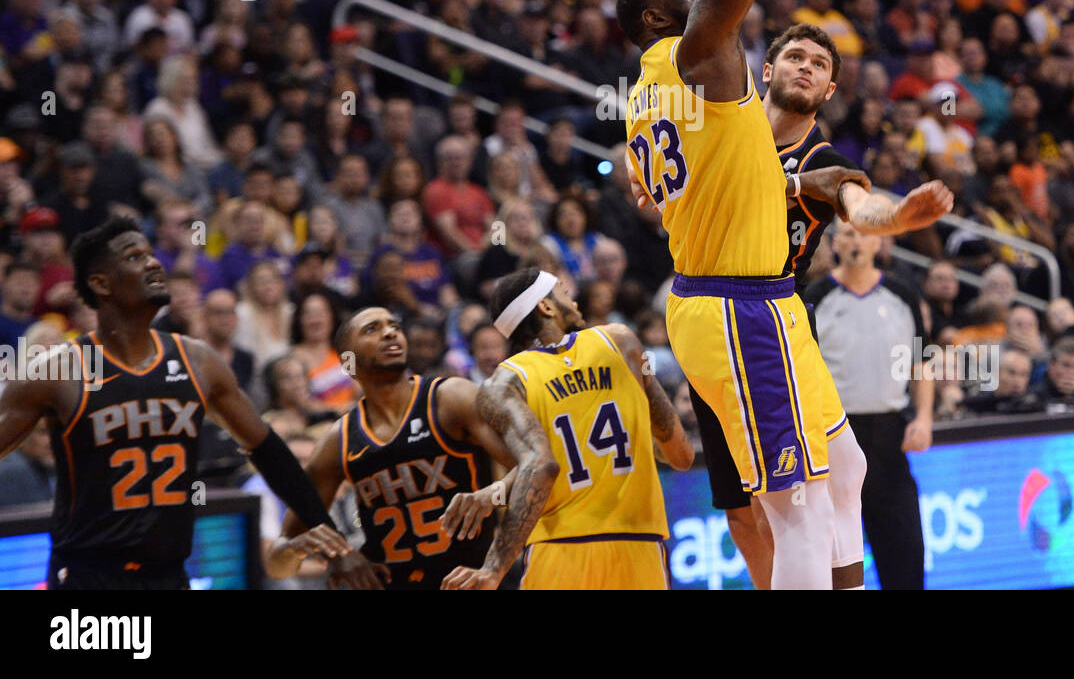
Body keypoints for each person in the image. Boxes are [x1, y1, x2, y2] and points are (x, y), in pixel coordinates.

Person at [616, 0, 950, 589]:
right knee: (790, 505)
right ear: (657, 20)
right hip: (736, 307)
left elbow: (835, 193)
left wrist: (889, 219)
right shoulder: (698, 56)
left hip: (764, 305)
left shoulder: (645, 98)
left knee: (846, 467)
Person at [0, 217, 368, 590]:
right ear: (100, 283)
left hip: (169, 575)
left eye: (150, 253)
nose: (154, 263)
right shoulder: (59, 370)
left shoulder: (197, 361)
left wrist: (335, 544)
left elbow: (270, 452)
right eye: (134, 257)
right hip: (88, 578)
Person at [448, 268, 691, 590]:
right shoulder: (621, 340)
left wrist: (494, 566)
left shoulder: (503, 382)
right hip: (638, 542)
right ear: (545, 307)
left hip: (557, 550)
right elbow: (681, 455)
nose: (573, 297)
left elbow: (542, 463)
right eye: (562, 290)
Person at [268, 307, 529, 590]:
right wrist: (332, 557)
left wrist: (495, 493)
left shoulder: (450, 397)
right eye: (372, 329)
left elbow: (538, 465)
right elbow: (276, 563)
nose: (390, 332)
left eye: (394, 326)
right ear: (347, 362)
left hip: (473, 581)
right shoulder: (340, 439)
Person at [806, 222, 932, 590]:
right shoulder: (815, 297)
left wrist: (924, 418)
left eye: (863, 233)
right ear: (834, 243)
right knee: (834, 559)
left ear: (880, 241)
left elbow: (921, 361)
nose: (855, 240)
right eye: (846, 234)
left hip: (890, 434)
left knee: (905, 551)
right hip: (835, 437)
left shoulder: (902, 293)